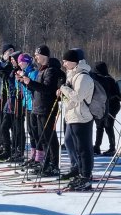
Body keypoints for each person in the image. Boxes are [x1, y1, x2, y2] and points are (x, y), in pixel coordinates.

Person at [19, 45, 62, 176]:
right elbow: (37, 89)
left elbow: (48, 89)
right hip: (39, 108)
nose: (35, 57)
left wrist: (30, 82)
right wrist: (26, 82)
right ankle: (46, 163)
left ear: (43, 55)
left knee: (49, 138)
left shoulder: (51, 70)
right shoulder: (42, 70)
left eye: (37, 55)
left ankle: (54, 165)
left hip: (46, 108)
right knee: (43, 138)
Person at [58, 50, 95, 191]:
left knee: (84, 148)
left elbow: (78, 97)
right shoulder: (72, 75)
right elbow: (70, 97)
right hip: (73, 116)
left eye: (66, 60)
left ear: (74, 61)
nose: (64, 63)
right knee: (78, 148)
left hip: (82, 117)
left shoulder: (83, 77)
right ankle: (81, 173)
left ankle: (86, 177)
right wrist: (62, 91)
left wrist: (63, 87)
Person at [92, 61, 121, 156]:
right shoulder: (99, 78)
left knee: (108, 126)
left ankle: (112, 147)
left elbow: (114, 93)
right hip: (102, 106)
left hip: (112, 106)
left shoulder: (109, 79)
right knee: (99, 126)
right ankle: (97, 147)